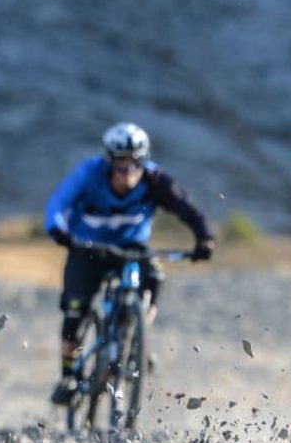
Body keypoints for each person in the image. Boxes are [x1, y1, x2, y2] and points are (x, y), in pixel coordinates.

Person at [44, 122, 216, 405]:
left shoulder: (155, 180)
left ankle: (139, 337)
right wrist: (58, 230)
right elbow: (58, 203)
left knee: (155, 278)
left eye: (135, 164)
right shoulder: (89, 175)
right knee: (75, 309)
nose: (128, 172)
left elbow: (187, 208)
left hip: (132, 247)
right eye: (121, 165)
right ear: (109, 162)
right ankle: (68, 376)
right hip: (88, 247)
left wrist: (204, 238)